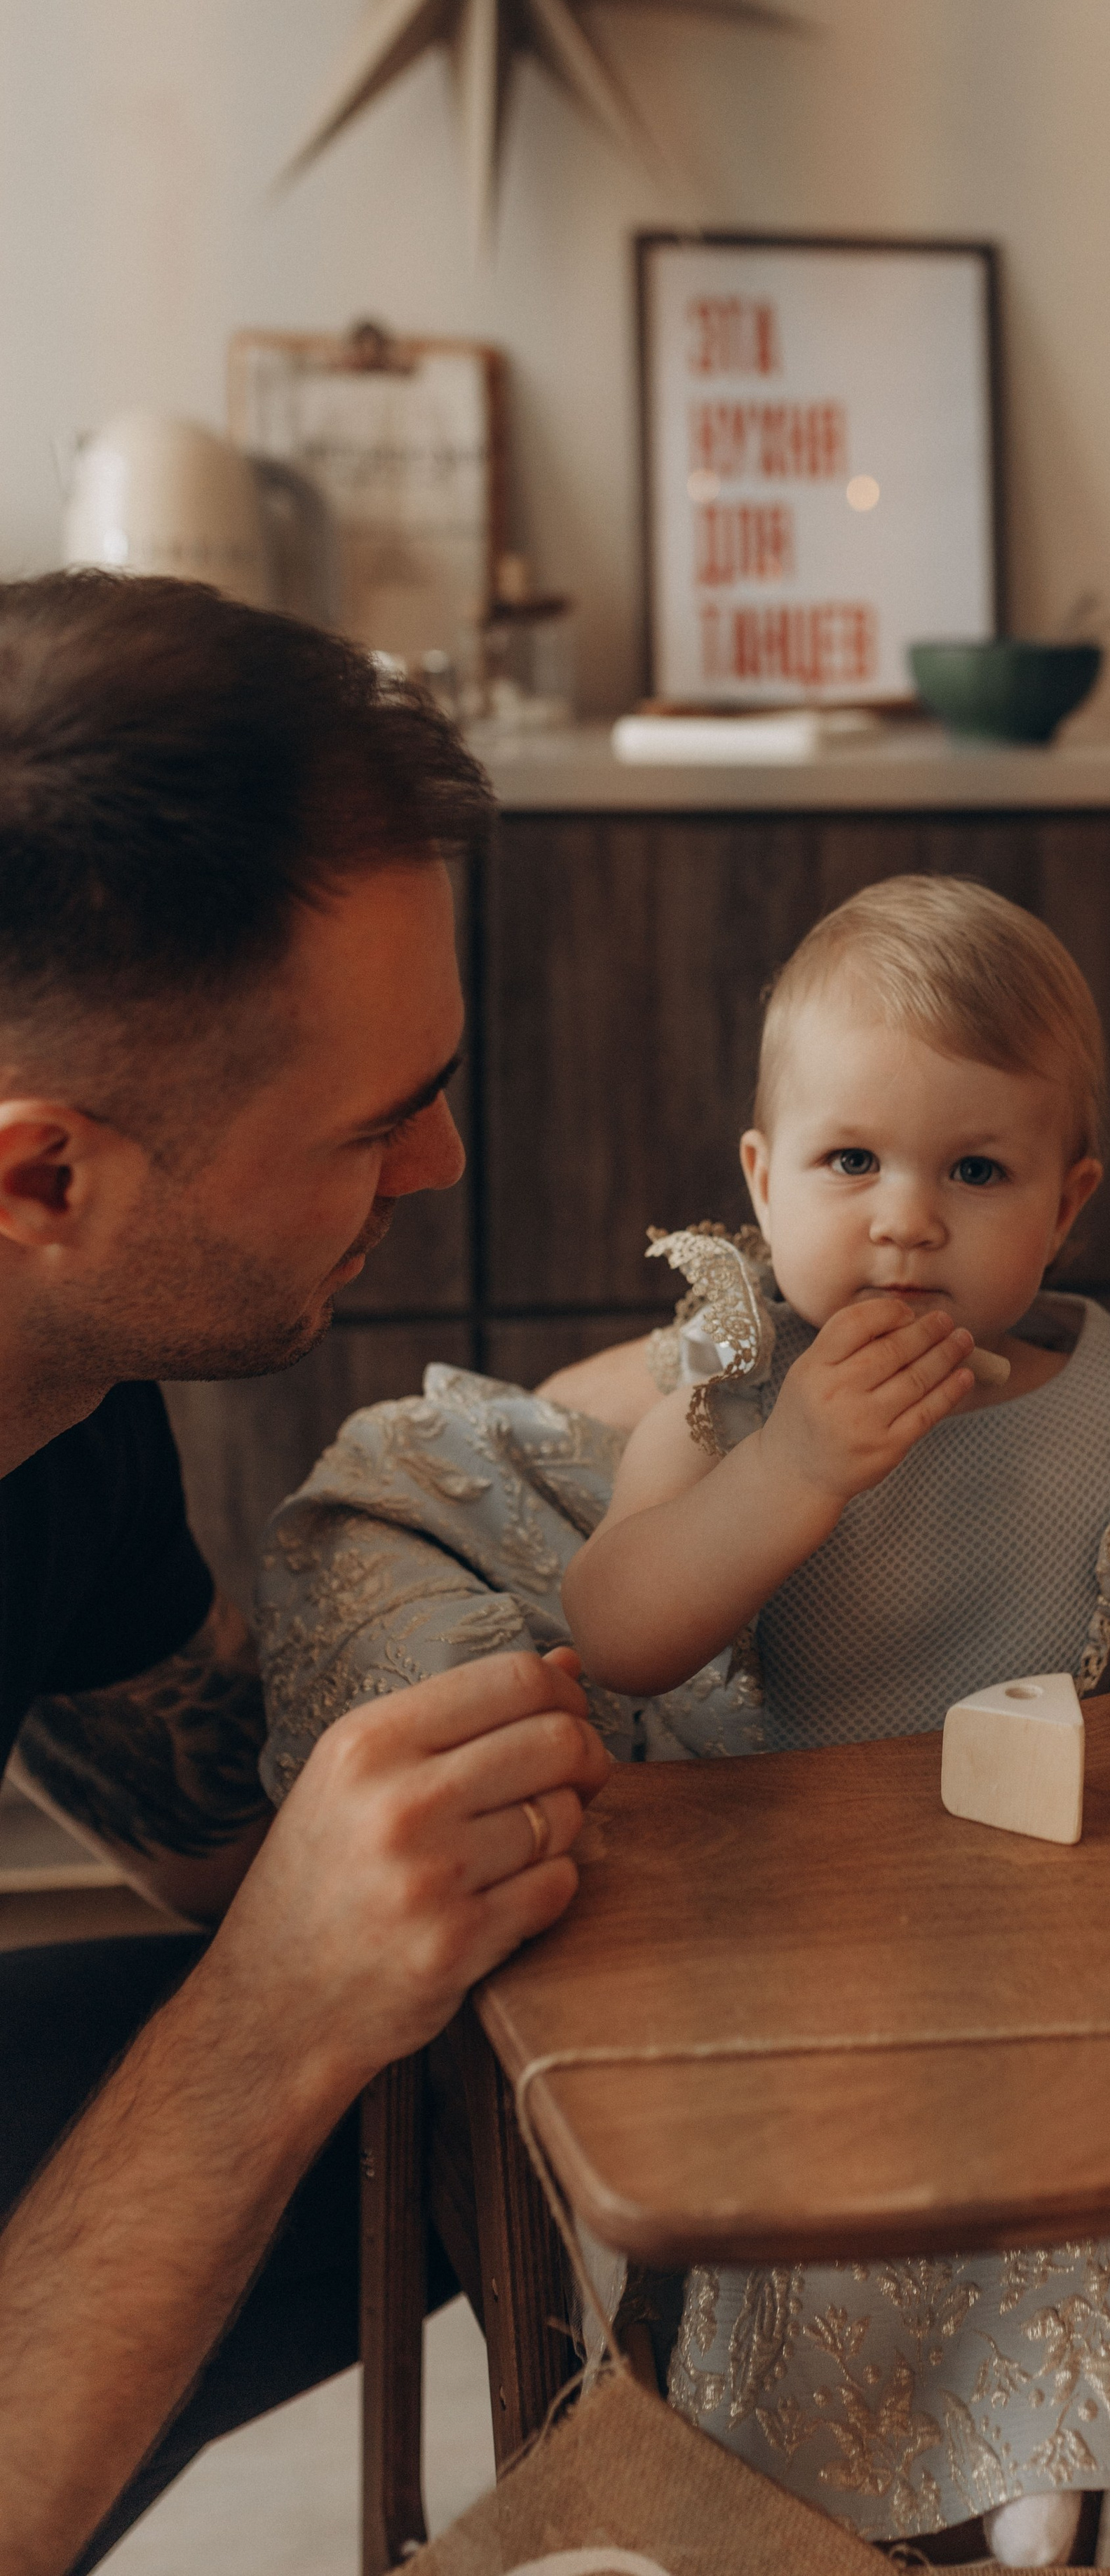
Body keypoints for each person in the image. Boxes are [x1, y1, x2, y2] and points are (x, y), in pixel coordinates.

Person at [544, 874, 1110, 2564]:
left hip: (1056, 1885)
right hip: (805, 1899)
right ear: (758, 1175)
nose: (902, 1223)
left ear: (1064, 1202)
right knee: (883, 2153)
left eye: (974, 1172)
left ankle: (1069, 2418)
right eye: (847, 1162)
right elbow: (621, 1630)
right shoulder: (733, 1385)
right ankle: (938, 2444)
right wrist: (799, 1470)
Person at [0, 572, 610, 2576]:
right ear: (43, 1177)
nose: (437, 1164)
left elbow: (214, 1799)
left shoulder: (63, 1391)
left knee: (445, 2105)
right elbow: (274, 1951)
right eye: (379, 1118)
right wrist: (273, 2011)